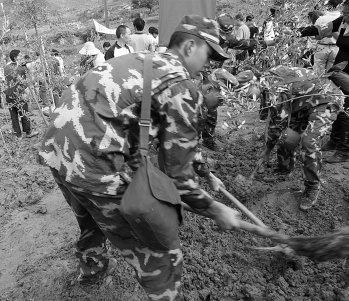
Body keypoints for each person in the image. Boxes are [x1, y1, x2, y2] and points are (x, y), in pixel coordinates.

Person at [39, 15, 240, 300]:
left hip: (57, 152)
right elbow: (178, 176)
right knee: (160, 252)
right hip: (93, 165)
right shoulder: (180, 86)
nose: (210, 65)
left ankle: (92, 272)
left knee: (91, 218)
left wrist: (205, 172)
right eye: (210, 55)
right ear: (191, 46)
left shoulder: (143, 60)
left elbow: (171, 140)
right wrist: (216, 209)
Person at [260, 66, 339, 211]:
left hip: (326, 101)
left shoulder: (277, 90)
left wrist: (267, 151)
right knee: (288, 135)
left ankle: (312, 186)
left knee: (308, 141)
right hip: (302, 101)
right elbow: (271, 117)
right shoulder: (265, 81)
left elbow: (277, 124)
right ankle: (283, 170)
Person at [300, 0, 349, 163]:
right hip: (339, 69)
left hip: (347, 72)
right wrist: (300, 31)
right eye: (344, 11)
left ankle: (344, 149)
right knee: (334, 102)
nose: (345, 15)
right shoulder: (342, 21)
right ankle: (335, 140)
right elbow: (321, 28)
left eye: (347, 12)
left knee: (345, 108)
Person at [200, 69, 239, 152]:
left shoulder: (208, 95)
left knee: (211, 111)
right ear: (209, 89)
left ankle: (208, 140)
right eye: (220, 96)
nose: (222, 102)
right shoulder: (190, 97)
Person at [4, 49, 38, 140]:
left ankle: (18, 135)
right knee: (24, 113)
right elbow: (26, 82)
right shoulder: (22, 68)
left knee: (13, 115)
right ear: (15, 57)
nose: (22, 57)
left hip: (8, 94)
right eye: (20, 55)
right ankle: (28, 132)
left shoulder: (6, 67)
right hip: (19, 94)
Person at [312, 5, 341, 75]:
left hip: (322, 47)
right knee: (332, 74)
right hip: (336, 48)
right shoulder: (343, 19)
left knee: (318, 73)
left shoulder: (321, 19)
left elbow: (315, 35)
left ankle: (319, 85)